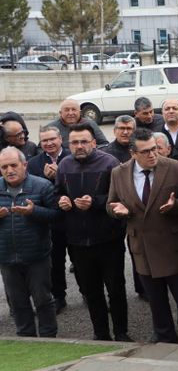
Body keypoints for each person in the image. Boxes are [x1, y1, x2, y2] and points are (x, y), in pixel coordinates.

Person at [108, 127, 178, 345]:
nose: (152, 155)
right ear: (133, 153)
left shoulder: (175, 168)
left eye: (154, 149)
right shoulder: (119, 173)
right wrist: (118, 211)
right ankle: (166, 340)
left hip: (174, 246)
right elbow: (111, 204)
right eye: (145, 152)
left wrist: (176, 205)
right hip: (143, 249)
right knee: (157, 303)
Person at [55, 123, 131, 342]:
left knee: (116, 289)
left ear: (94, 143)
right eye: (74, 142)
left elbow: (121, 197)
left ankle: (121, 332)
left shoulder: (110, 163)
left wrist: (96, 202)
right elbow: (56, 193)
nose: (79, 146)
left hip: (108, 239)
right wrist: (61, 201)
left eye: (84, 142)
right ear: (68, 144)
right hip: (78, 242)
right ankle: (101, 334)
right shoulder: (64, 164)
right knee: (92, 292)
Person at [0, 146, 59, 337]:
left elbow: (57, 216)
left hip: (37, 256)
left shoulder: (42, 186)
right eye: (4, 167)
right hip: (7, 258)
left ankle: (49, 337)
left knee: (43, 300)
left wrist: (34, 211)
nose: (9, 170)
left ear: (24, 165)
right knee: (17, 302)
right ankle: (25, 337)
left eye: (13, 165)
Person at [27, 126, 71, 313]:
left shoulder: (71, 157)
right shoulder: (34, 163)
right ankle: (59, 296)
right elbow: (32, 190)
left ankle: (87, 292)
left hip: (74, 218)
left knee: (81, 261)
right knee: (55, 261)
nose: (49, 143)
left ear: (60, 139)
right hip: (51, 220)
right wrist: (44, 178)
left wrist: (61, 174)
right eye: (44, 140)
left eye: (52, 139)